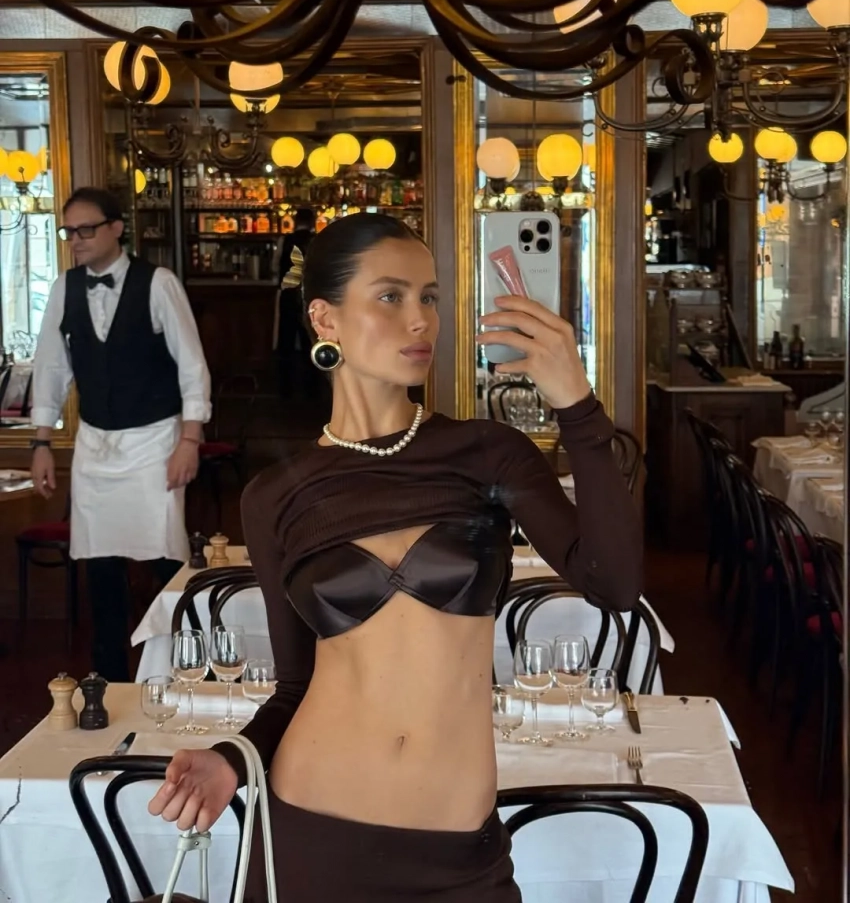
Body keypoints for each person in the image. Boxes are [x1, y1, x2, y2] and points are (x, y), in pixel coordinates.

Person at [149, 213, 641, 901]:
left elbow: (614, 584)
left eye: (429, 297)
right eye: (391, 295)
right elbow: (295, 687)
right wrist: (233, 758)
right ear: (325, 318)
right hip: (312, 833)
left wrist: (578, 408)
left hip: (458, 854)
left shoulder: (487, 453)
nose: (420, 319)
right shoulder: (274, 496)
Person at [30, 187, 211, 682]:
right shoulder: (65, 288)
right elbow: (51, 368)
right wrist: (42, 442)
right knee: (100, 568)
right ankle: (108, 684)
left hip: (155, 440)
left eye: (86, 229)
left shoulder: (159, 283)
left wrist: (189, 440)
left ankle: (187, 673)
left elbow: (192, 366)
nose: (76, 240)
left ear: (116, 228)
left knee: (165, 561)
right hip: (94, 444)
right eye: (69, 231)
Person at [275, 206, 317, 400]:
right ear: (312, 222)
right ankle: (312, 390)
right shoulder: (318, 242)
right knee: (310, 341)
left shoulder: (284, 241)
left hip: (288, 295)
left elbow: (276, 266)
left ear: (295, 221)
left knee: (286, 343)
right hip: (310, 297)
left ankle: (285, 389)